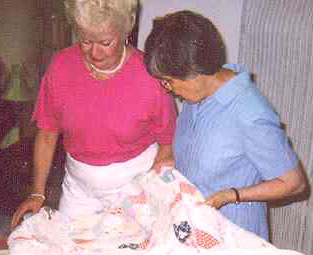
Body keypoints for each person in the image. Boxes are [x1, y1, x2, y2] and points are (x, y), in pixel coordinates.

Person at [143, 10, 308, 240]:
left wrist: (232, 195)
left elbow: (294, 183)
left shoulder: (250, 114)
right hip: (194, 228)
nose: (166, 89)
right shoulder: (197, 96)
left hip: (232, 236)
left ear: (195, 73)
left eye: (168, 82)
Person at [11, 0, 176, 227]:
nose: (95, 53)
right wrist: (37, 193)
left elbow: (167, 146)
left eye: (105, 42)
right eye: (86, 41)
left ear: (125, 31)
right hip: (79, 188)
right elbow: (48, 133)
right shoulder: (61, 66)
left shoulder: (149, 75)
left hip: (135, 187)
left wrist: (152, 194)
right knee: (70, 250)